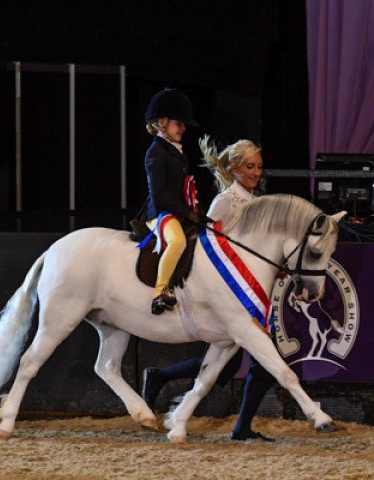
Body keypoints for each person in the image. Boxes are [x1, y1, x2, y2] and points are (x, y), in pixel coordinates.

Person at [142, 135, 277, 442]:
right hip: (229, 297)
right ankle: (239, 427)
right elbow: (209, 249)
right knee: (248, 365)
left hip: (247, 296)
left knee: (231, 368)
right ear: (234, 168)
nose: (257, 173)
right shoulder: (226, 201)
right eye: (251, 167)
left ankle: (161, 377)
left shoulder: (255, 201)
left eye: (259, 167)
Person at [143, 87, 205, 315]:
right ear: (161, 123)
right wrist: (184, 212)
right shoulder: (156, 152)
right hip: (159, 213)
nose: (183, 128)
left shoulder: (176, 151)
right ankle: (159, 293)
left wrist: (195, 211)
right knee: (177, 241)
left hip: (176, 210)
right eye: (178, 123)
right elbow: (160, 194)